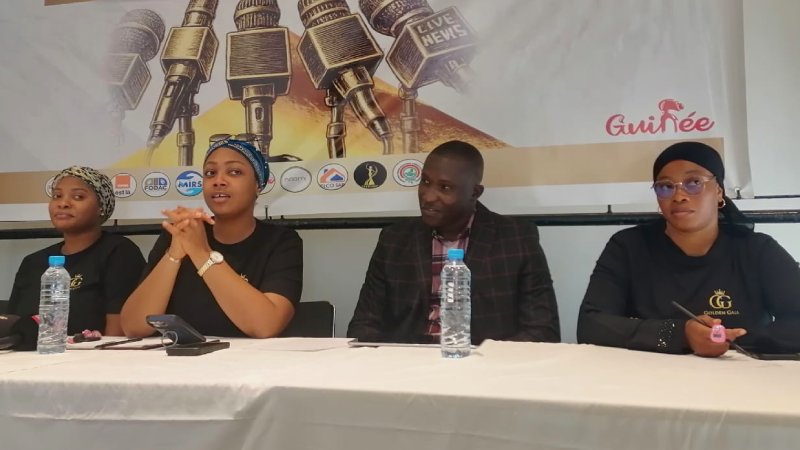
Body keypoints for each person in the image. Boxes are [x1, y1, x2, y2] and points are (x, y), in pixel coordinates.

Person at [578, 141, 800, 356]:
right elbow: (591, 324)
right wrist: (680, 335)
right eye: (666, 187)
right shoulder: (628, 246)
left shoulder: (757, 250)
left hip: (742, 373)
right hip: (649, 375)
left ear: (719, 191)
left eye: (694, 182)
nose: (679, 196)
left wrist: (738, 339)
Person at [348, 140, 561, 344]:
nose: (428, 197)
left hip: (483, 362)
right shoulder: (394, 240)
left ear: (474, 193)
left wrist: (491, 360)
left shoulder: (517, 238)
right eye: (426, 182)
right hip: (409, 361)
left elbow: (543, 330)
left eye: (445, 188)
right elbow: (363, 326)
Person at [120, 139, 303, 338]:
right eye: (210, 173)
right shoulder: (181, 233)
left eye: (235, 172)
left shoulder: (281, 242)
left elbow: (266, 326)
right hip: (177, 356)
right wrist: (174, 254)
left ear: (257, 185)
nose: (218, 181)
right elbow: (134, 327)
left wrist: (202, 253)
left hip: (247, 357)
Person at [8, 166, 145, 336]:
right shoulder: (32, 262)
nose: (63, 204)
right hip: (32, 351)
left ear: (101, 207)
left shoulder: (119, 252)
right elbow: (11, 326)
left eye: (78, 197)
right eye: (57, 196)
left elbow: (117, 333)